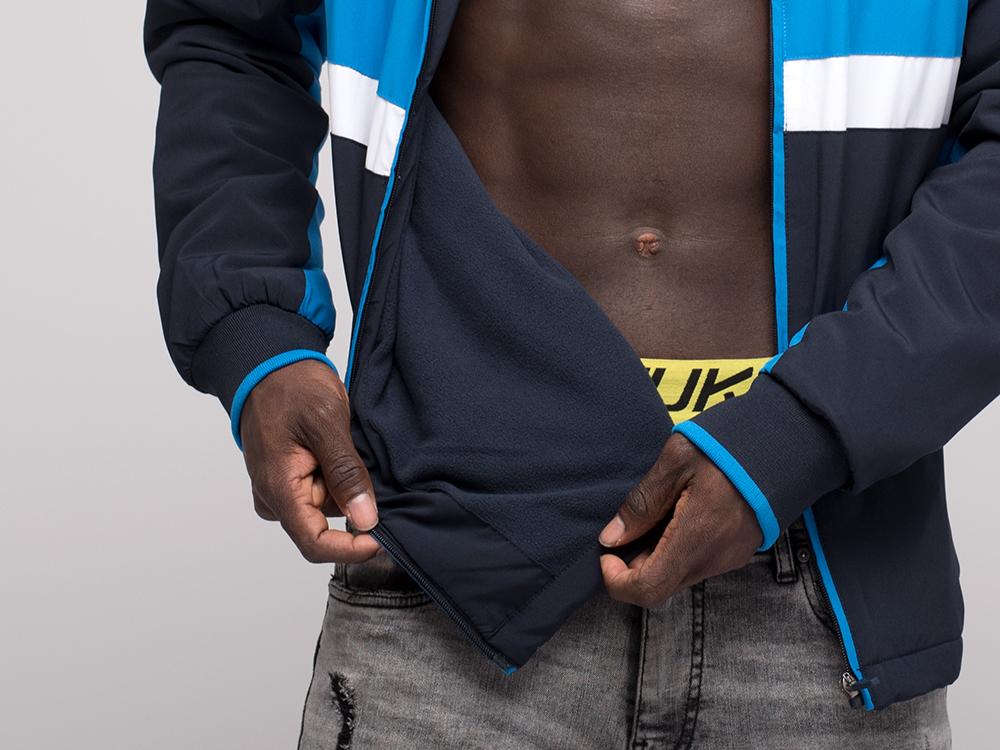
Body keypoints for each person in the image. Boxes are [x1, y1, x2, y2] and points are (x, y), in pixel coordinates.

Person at [144, 1, 999, 747]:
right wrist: (256, 338)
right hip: (457, 554)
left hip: (824, 576)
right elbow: (230, 33)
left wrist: (797, 434)